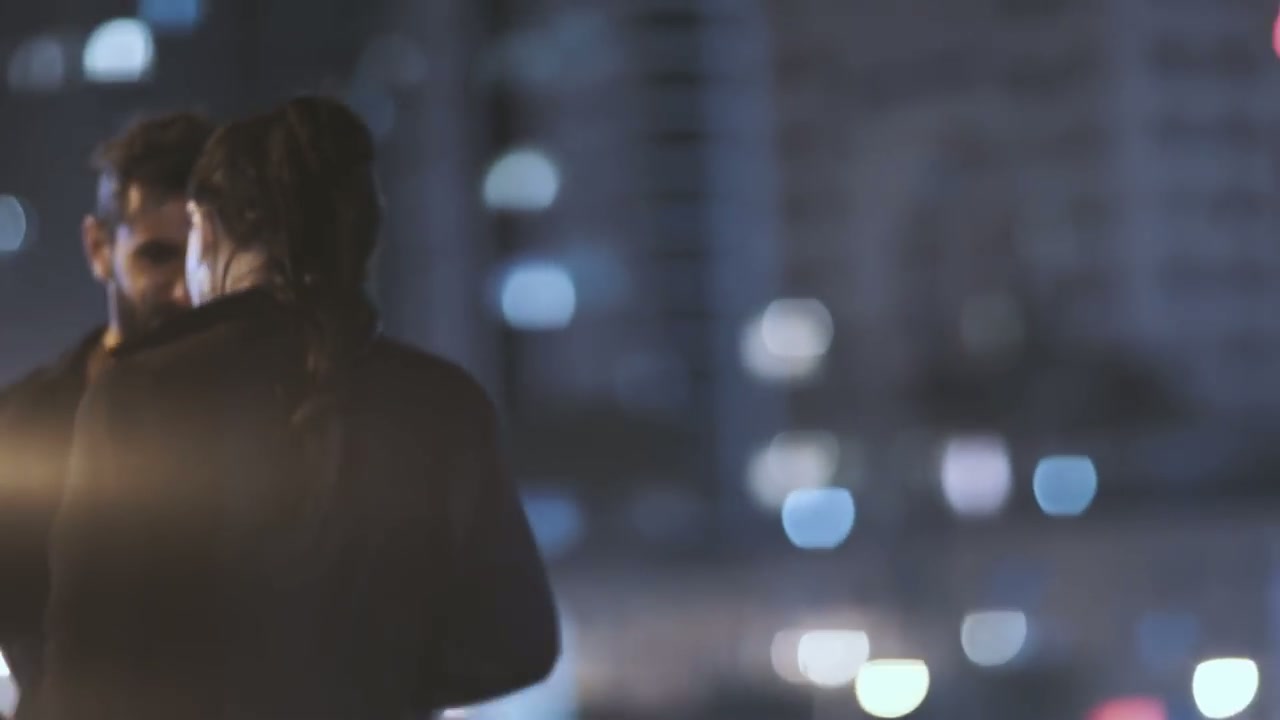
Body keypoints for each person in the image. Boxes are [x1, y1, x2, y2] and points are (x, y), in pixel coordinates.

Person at [40, 96, 559, 720]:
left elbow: (82, 668)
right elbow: (518, 644)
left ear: (207, 227)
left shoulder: (137, 397)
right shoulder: (445, 404)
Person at [0, 112, 214, 717]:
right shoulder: (21, 428)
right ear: (98, 248)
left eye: (201, 258)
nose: (185, 289)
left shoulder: (282, 414)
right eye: (158, 257)